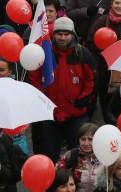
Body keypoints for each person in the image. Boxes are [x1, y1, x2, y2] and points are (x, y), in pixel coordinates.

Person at [29, 17, 96, 162]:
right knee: (48, 155)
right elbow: (34, 77)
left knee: (78, 155)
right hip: (50, 114)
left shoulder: (83, 54)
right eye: (59, 34)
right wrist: (42, 100)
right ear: (53, 35)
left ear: (73, 35)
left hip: (76, 114)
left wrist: (82, 100)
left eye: (66, 34)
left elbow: (92, 80)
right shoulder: (44, 53)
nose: (63, 38)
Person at [57, 123, 102, 192]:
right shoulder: (71, 155)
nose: (86, 143)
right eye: (83, 139)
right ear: (78, 140)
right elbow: (59, 175)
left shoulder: (103, 156)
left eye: (90, 139)